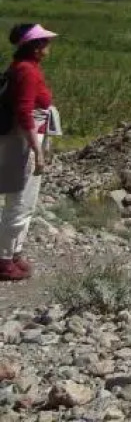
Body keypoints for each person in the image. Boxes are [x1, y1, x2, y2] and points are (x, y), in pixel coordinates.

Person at [1, 23, 60, 282]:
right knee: (20, 202)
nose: (49, 45)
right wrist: (37, 150)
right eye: (45, 41)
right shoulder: (27, 72)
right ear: (35, 46)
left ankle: (14, 253)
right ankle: (4, 259)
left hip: (24, 137)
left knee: (24, 201)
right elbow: (25, 112)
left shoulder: (24, 68)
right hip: (24, 140)